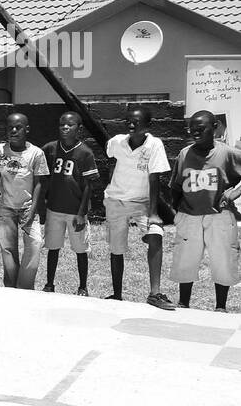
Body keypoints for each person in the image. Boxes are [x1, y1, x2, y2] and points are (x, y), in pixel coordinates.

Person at [169, 110, 241, 312]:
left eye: (201, 129)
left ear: (215, 127)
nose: (195, 133)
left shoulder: (226, 153)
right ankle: (184, 303)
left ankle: (220, 306)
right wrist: (177, 213)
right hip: (189, 216)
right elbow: (176, 186)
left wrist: (235, 193)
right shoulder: (185, 154)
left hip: (218, 215)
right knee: (186, 259)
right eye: (192, 129)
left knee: (222, 258)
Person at [103, 107, 174, 309]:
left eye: (136, 122)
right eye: (129, 121)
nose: (131, 125)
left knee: (155, 233)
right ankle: (117, 294)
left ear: (148, 126)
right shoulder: (117, 142)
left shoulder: (154, 145)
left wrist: (153, 214)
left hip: (141, 203)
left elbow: (155, 179)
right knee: (116, 249)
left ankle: (154, 293)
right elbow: (110, 158)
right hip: (116, 201)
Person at [0, 113, 49, 290]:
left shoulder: (36, 153)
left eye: (18, 127)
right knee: (7, 248)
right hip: (6, 206)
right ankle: (11, 286)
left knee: (35, 244)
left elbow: (39, 183)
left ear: (26, 129)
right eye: (10, 127)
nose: (13, 130)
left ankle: (25, 287)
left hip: (28, 207)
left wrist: (33, 211)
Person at [42, 112, 99, 296]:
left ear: (79, 129)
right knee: (53, 247)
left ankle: (83, 286)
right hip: (54, 209)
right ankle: (49, 284)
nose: (65, 128)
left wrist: (82, 213)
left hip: (75, 211)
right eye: (62, 125)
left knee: (80, 249)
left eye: (70, 125)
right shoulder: (50, 149)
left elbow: (89, 186)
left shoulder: (85, 153)